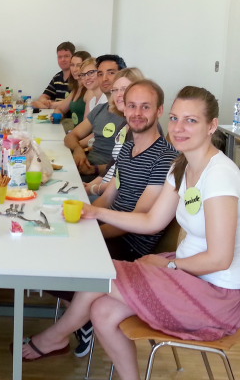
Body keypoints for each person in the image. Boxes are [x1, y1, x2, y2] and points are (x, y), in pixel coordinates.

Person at [21, 86, 240, 380]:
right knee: (102, 312)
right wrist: (96, 212)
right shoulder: (182, 165)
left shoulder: (222, 175)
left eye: (191, 120)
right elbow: (151, 220)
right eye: (175, 118)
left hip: (216, 293)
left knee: (102, 275)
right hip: (186, 274)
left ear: (212, 126)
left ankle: (53, 338)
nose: (178, 128)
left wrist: (169, 264)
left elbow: (221, 258)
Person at [85, 68, 145, 197]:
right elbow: (112, 168)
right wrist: (89, 186)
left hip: (118, 200)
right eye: (115, 90)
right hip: (105, 191)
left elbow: (124, 181)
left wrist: (92, 189)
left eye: (124, 89)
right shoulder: (124, 125)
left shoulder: (140, 129)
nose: (118, 94)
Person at [64, 66, 126, 182]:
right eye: (100, 74)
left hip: (102, 178)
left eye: (111, 72)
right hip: (88, 168)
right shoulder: (100, 109)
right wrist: (78, 150)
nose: (104, 78)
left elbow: (124, 168)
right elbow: (70, 136)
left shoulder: (131, 120)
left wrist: (94, 170)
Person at [53, 50, 91, 129]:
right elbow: (60, 109)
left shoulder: (89, 91)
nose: (74, 69)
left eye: (78, 65)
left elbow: (86, 126)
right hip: (74, 132)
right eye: (72, 65)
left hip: (81, 136)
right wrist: (57, 116)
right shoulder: (76, 89)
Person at [34, 41, 76, 108]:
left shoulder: (77, 78)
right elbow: (43, 97)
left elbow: (72, 103)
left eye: (66, 56)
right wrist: (45, 101)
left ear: (73, 57)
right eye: (59, 57)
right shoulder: (57, 77)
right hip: (55, 113)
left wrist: (52, 104)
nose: (63, 59)